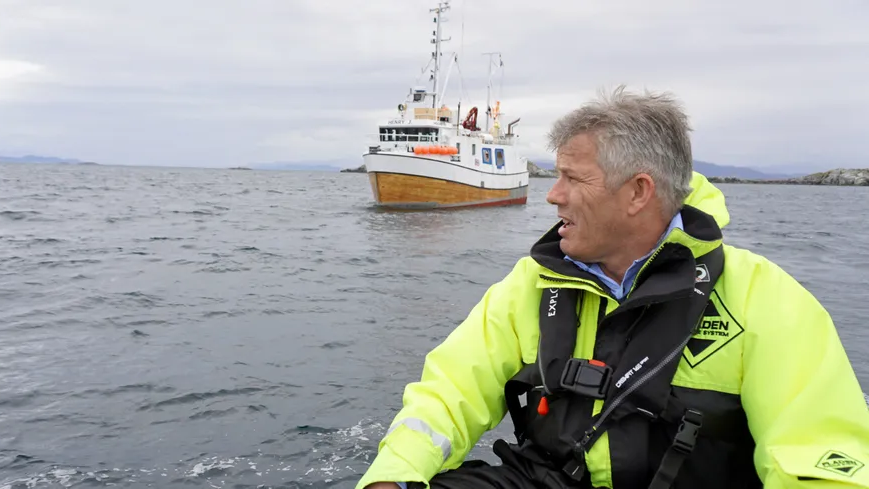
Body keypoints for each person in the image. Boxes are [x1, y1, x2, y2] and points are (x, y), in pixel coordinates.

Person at [356, 86, 869, 489]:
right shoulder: (532, 283)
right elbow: (450, 391)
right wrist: (393, 474)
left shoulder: (766, 301)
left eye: (573, 179)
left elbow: (818, 460)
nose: (552, 196)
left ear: (638, 193)